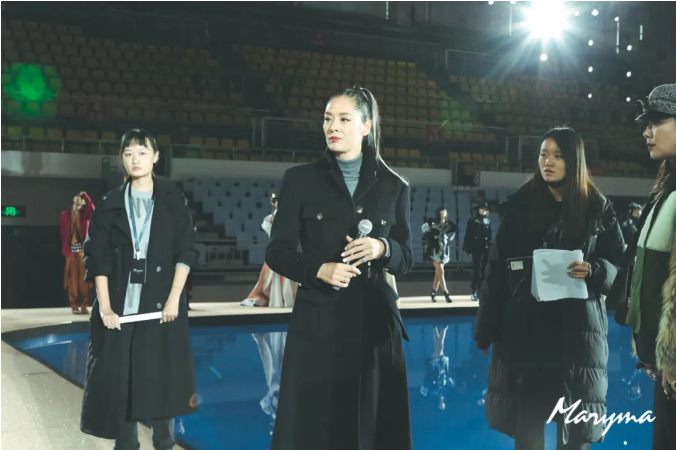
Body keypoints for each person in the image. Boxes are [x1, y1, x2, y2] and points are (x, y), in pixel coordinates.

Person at [265, 87, 414, 450]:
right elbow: (277, 252)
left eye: (344, 119)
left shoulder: (395, 185)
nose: (332, 126)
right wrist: (319, 269)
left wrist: (382, 248)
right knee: (315, 429)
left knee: (373, 429)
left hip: (375, 327)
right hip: (318, 324)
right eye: (328, 119)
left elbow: (407, 257)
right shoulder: (299, 180)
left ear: (366, 126)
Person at [474, 126, 624, 450]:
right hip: (528, 335)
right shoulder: (520, 206)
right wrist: (485, 328)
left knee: (574, 434)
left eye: (557, 155)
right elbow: (496, 272)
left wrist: (595, 270)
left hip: (576, 337)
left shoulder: (597, 208)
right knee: (528, 430)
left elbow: (619, 266)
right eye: (543, 154)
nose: (548, 162)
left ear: (574, 160)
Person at [80, 129, 198, 450]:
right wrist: (105, 307)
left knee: (161, 382)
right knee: (121, 384)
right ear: (122, 158)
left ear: (156, 157)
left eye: (142, 152)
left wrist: (174, 299)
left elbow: (186, 251)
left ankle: (164, 444)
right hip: (120, 311)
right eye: (129, 153)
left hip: (160, 309)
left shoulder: (173, 200)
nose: (135, 159)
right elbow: (97, 258)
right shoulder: (109, 203)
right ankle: (126, 445)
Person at [610, 83, 676, 450]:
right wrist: (651, 348)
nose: (646, 133)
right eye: (645, 124)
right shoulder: (665, 191)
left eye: (657, 122)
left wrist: (671, 355)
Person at [241, 193, 298, 307]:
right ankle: (276, 300)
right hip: (277, 249)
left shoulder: (291, 215)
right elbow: (270, 232)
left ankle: (288, 300)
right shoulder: (271, 218)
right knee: (273, 277)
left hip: (289, 250)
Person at [60, 191, 95, 314]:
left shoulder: (85, 214)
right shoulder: (65, 215)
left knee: (84, 280)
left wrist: (86, 196)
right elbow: (63, 233)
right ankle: (74, 305)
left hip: (82, 251)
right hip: (71, 252)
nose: (78, 205)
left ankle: (84, 305)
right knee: (72, 279)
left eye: (81, 203)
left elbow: (93, 210)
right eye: (77, 203)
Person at [422, 207, 457, 303]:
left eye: (444, 213)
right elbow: (424, 230)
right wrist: (432, 237)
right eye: (440, 213)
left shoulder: (450, 225)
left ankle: (433, 292)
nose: (442, 215)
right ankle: (446, 293)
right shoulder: (432, 222)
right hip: (434, 249)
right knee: (441, 271)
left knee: (438, 273)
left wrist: (446, 237)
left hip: (444, 250)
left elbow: (452, 234)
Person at [463, 202, 492, 302]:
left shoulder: (488, 220)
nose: (484, 210)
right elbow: (468, 234)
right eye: (482, 208)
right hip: (476, 248)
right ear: (478, 209)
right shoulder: (472, 220)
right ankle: (474, 290)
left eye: (485, 209)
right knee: (477, 270)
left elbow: (490, 235)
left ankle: (481, 291)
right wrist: (467, 248)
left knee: (485, 271)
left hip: (486, 249)